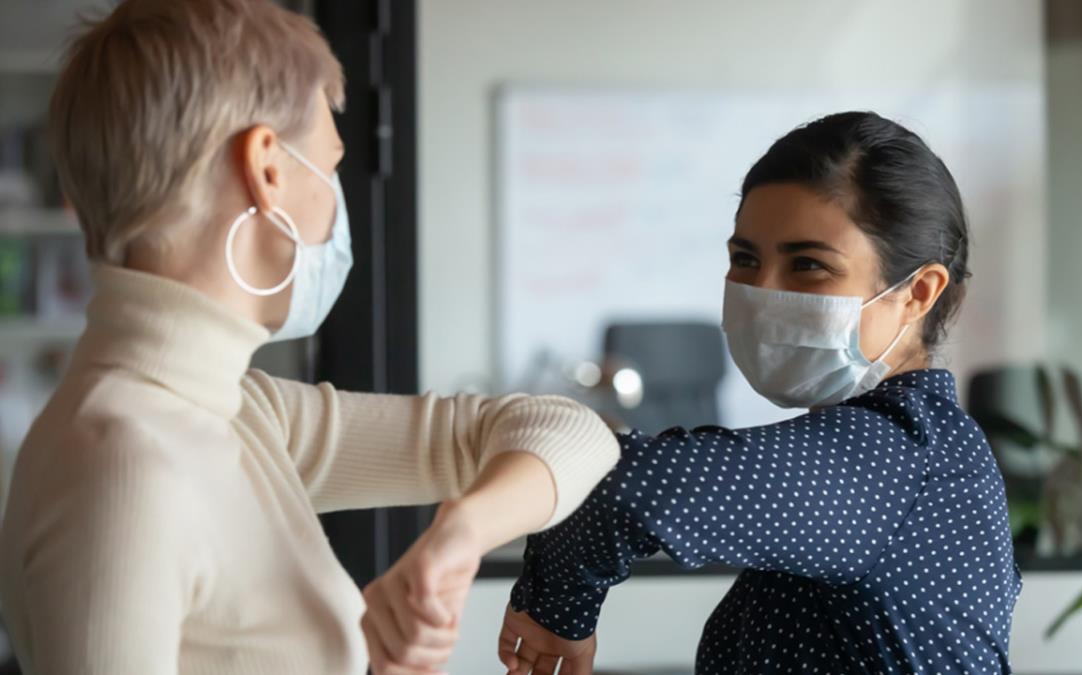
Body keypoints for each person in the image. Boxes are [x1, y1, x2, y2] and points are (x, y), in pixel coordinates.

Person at [0, 2, 619, 674]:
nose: (333, 199)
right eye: (329, 165)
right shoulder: (120, 462)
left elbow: (572, 431)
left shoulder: (237, 412)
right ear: (267, 168)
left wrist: (458, 533)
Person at [493, 112, 1022, 674]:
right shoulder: (912, 452)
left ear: (917, 292)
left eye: (809, 265)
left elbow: (621, 486)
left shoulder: (898, 454)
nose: (762, 292)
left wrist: (555, 615)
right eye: (745, 259)